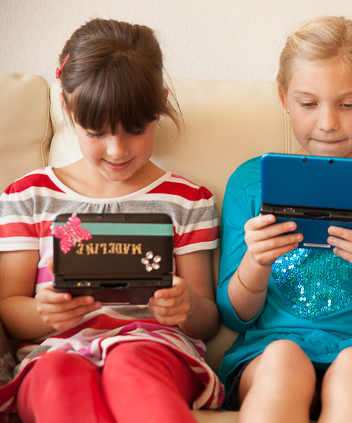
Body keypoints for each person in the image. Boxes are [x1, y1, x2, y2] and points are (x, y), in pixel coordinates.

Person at [0, 18, 223, 423]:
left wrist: (185, 305)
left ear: (160, 105)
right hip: (55, 351)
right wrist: (43, 312)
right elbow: (9, 307)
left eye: (135, 130)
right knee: (55, 375)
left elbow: (206, 320)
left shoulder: (187, 200)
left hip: (154, 346)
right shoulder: (28, 196)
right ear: (68, 109)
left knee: (132, 363)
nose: (117, 150)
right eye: (97, 132)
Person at [216, 16, 352, 423]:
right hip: (269, 350)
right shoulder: (251, 183)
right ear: (284, 98)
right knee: (283, 361)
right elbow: (234, 315)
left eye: (348, 104)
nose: (327, 122)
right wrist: (255, 263)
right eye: (308, 104)